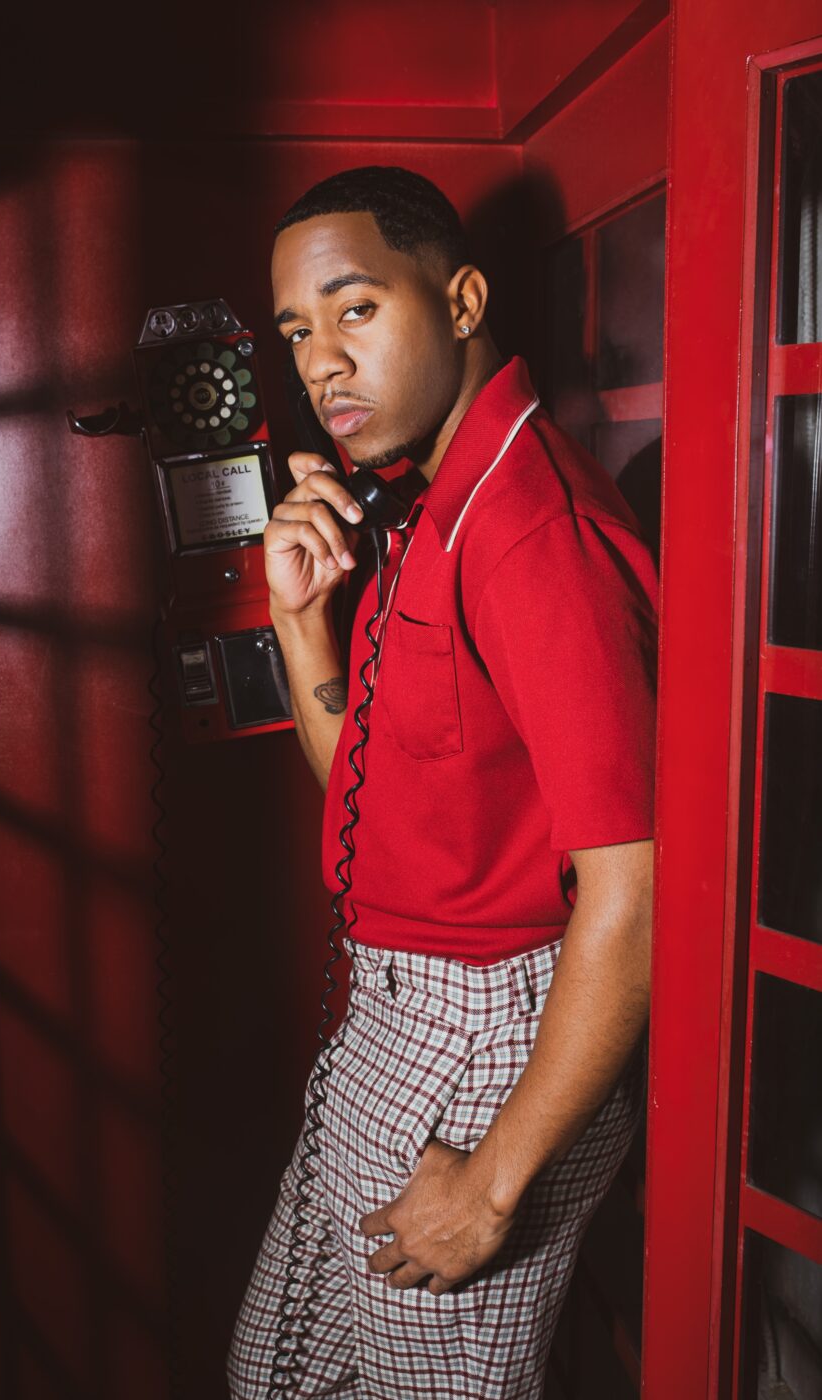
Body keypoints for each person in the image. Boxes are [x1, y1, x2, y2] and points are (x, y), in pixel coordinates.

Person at [228, 166, 657, 1400]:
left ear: (460, 298)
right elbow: (369, 788)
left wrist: (491, 1184)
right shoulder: (431, 504)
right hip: (389, 1013)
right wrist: (304, 626)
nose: (321, 362)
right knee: (275, 1372)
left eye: (355, 308)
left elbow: (642, 889)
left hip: (486, 1050)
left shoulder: (530, 534)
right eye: (299, 330)